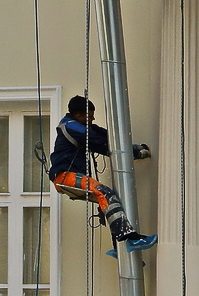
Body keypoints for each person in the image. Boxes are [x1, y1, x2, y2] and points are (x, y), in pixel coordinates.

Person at [48, 95, 157, 255]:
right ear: (79, 115)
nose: (92, 118)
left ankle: (118, 247)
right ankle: (130, 238)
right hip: (65, 176)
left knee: (108, 201)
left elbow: (103, 136)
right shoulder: (72, 127)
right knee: (105, 193)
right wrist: (135, 151)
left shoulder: (75, 126)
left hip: (66, 176)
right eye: (90, 115)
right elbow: (100, 142)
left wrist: (133, 149)